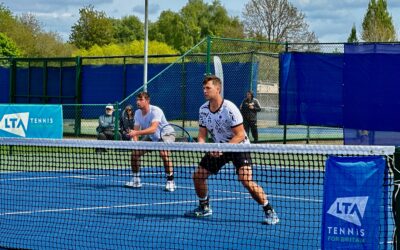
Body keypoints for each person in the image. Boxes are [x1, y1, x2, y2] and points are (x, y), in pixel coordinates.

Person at [184, 75, 279, 225]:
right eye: (203, 88)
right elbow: (202, 136)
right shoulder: (203, 110)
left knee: (246, 180)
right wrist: (206, 147)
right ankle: (204, 207)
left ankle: (269, 211)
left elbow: (240, 134)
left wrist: (223, 148)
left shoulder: (229, 108)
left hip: (239, 145)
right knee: (198, 176)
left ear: (218, 89)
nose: (204, 91)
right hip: (219, 147)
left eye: (208, 88)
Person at [124, 92, 176, 192]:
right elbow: (135, 131)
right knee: (135, 154)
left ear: (147, 101)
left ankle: (170, 181)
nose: (137, 102)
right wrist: (135, 143)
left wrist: (136, 132)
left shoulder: (156, 111)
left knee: (163, 153)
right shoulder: (138, 113)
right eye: (137, 100)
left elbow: (153, 129)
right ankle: (136, 180)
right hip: (153, 137)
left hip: (166, 134)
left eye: (140, 100)